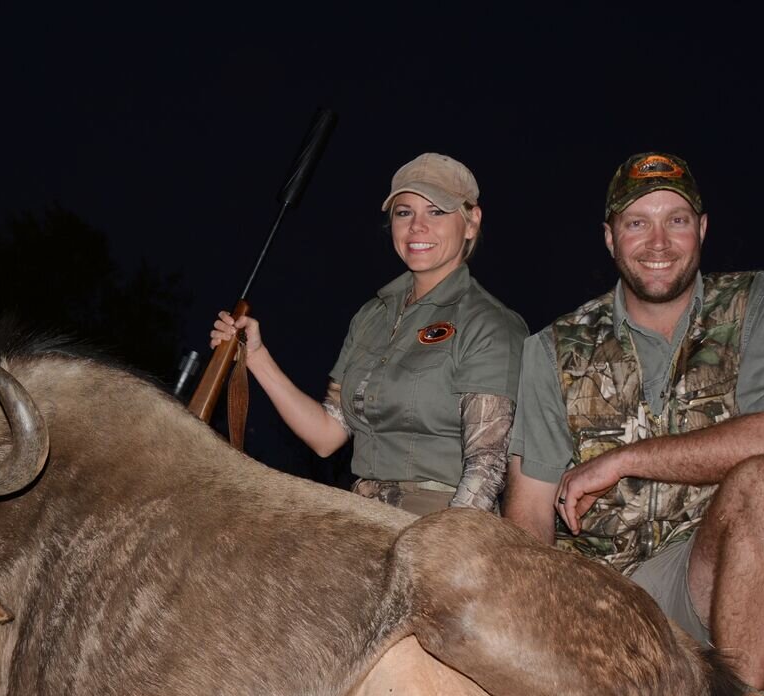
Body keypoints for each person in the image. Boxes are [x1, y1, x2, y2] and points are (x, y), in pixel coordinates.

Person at [504, 151, 764, 696]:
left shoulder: (757, 303)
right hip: (602, 600)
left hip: (705, 581)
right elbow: (527, 519)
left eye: (676, 220)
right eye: (636, 224)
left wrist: (626, 458)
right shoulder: (551, 348)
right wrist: (537, 643)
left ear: (703, 228)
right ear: (610, 238)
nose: (658, 243)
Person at [211, 152, 527, 516]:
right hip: (361, 515)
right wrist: (257, 357)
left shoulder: (489, 323)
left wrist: (439, 549)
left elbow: (487, 469)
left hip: (442, 521)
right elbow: (327, 436)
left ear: (471, 222)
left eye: (436, 212)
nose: (416, 227)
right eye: (404, 212)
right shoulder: (370, 317)